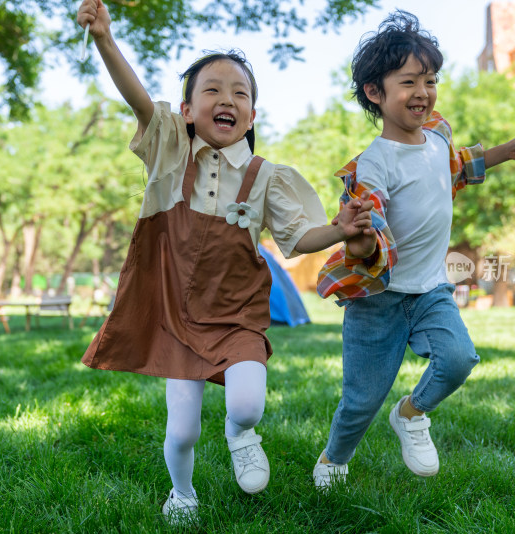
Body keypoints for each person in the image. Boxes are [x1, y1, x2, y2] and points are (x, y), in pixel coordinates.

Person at [75, 0, 375, 523]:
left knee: (246, 405)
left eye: (240, 92)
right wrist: (104, 38)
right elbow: (140, 101)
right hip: (175, 314)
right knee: (182, 430)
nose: (226, 98)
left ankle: (241, 435)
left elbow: (298, 237)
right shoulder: (170, 152)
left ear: (252, 115)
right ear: (187, 110)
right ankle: (183, 494)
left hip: (236, 311)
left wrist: (340, 229)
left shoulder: (266, 176)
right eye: (211, 89)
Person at [313, 10, 515, 487]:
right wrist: (355, 230)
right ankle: (334, 458)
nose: (423, 92)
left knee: (458, 359)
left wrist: (510, 149)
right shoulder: (376, 161)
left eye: (430, 80)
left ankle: (412, 413)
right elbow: (369, 212)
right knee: (360, 399)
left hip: (431, 290)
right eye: (409, 82)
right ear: (376, 93)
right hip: (379, 298)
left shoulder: (438, 139)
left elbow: (461, 166)